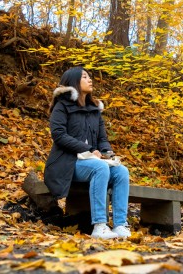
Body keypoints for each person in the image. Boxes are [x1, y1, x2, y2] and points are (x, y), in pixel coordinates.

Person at [44, 66, 130, 239]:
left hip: (91, 162)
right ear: (74, 82)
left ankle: (120, 225)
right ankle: (100, 226)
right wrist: (88, 149)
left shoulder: (94, 110)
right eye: (84, 77)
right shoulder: (62, 106)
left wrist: (106, 152)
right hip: (66, 163)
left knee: (121, 171)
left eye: (90, 76)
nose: (90, 79)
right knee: (100, 168)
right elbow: (59, 135)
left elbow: (102, 138)